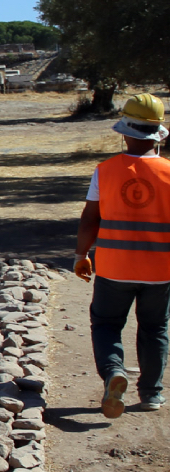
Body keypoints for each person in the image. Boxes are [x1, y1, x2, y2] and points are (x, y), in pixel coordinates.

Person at [74, 92, 170, 417]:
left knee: (106, 324)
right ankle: (152, 394)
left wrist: (80, 255)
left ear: (125, 132)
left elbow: (90, 217)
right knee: (155, 328)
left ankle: (114, 370)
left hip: (114, 268)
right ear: (157, 133)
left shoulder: (105, 171)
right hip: (161, 270)